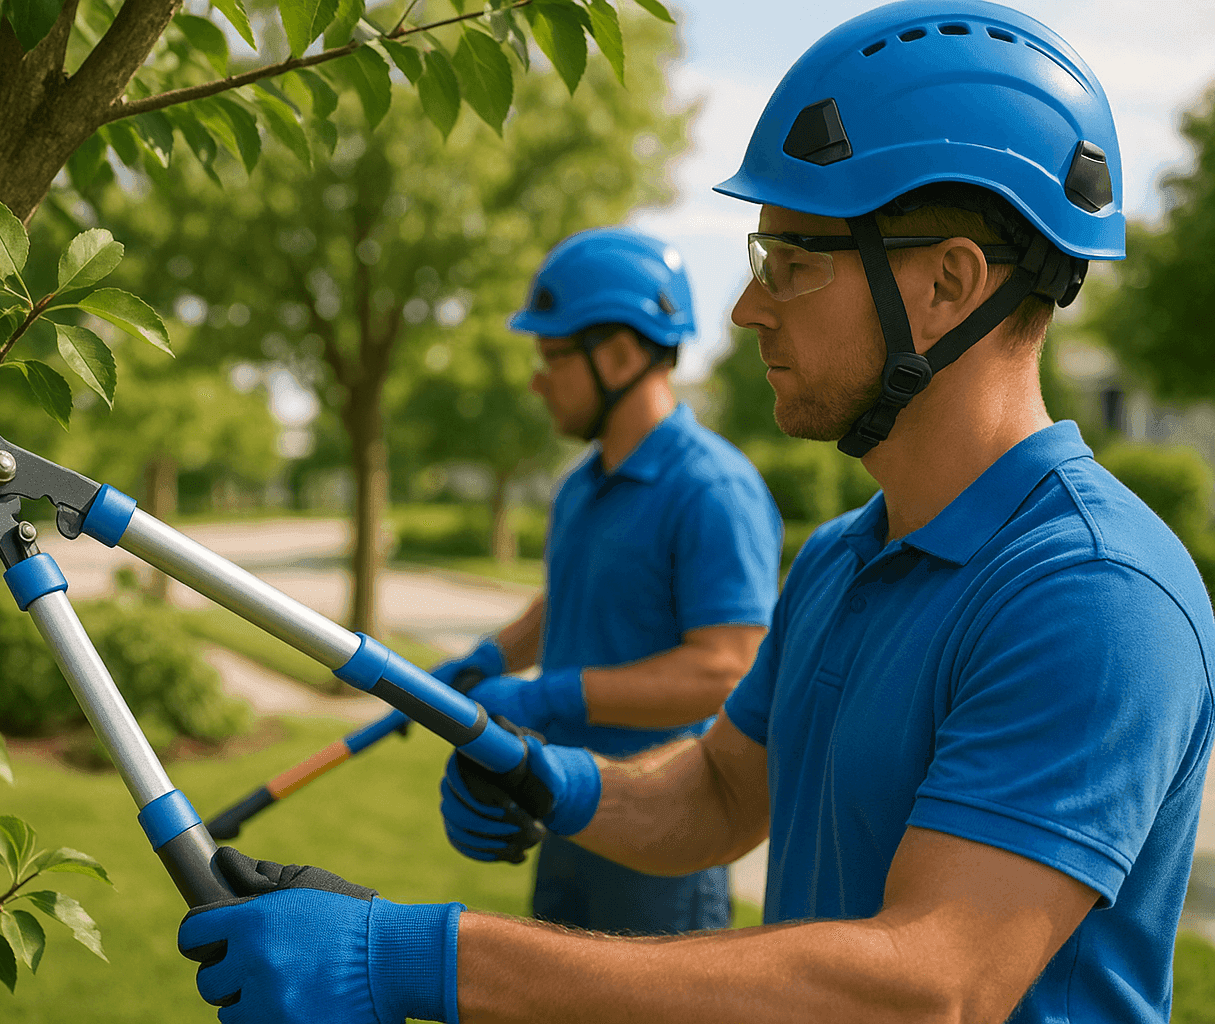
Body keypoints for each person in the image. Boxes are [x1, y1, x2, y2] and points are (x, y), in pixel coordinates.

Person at [174, 4, 1215, 1023]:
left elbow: (928, 986)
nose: (744, 309)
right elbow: (721, 789)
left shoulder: (1092, 595)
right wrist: (551, 780)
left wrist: (426, 959)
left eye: (793, 263)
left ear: (948, 284)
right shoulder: (843, 559)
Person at [426, 224, 782, 936]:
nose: (536, 379)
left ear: (619, 353)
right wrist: (489, 660)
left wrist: (551, 698)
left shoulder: (712, 489)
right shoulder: (580, 488)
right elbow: (573, 595)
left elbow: (727, 668)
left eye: (552, 355)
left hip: (665, 837)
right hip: (568, 814)